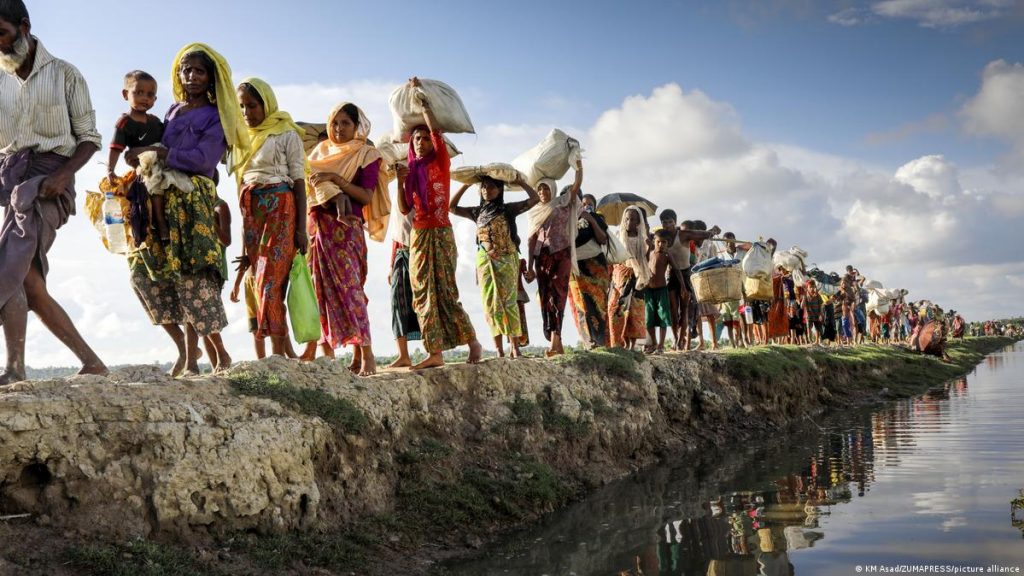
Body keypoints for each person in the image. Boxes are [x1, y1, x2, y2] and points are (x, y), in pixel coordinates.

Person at [0, 2, 107, 383]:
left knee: (14, 270)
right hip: (13, 183)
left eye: (3, 34)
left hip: (49, 183)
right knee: (25, 278)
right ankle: (82, 363)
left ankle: (16, 369)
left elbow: (90, 138)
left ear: (24, 27)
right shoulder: (0, 80)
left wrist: (63, 176)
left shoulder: (65, 74)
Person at [125, 43, 245, 374]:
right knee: (144, 272)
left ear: (211, 78)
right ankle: (185, 351)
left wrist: (156, 153)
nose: (191, 76)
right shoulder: (173, 111)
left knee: (193, 276)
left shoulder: (217, 116)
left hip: (193, 201)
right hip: (160, 200)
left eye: (199, 71)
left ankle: (212, 355)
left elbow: (203, 160)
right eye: (185, 70)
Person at [396, 77, 482, 370]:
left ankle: (470, 342)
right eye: (415, 139)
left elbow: (435, 131)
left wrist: (424, 106)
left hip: (442, 232)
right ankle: (436, 351)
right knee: (421, 290)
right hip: (419, 235)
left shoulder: (440, 161)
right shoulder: (411, 170)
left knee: (445, 289)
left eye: (423, 138)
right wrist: (399, 182)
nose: (420, 143)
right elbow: (405, 207)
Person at [302, 102, 388, 376]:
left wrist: (336, 179)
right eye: (335, 123)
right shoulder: (318, 152)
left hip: (347, 230)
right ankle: (328, 357)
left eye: (345, 123)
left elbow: (365, 196)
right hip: (319, 229)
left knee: (352, 291)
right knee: (321, 291)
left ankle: (366, 355)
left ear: (357, 126)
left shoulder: (366, 153)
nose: (339, 129)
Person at [235, 78, 307, 358]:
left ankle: (278, 354)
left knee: (271, 282)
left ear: (266, 104)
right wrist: (243, 248)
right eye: (241, 107)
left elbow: (299, 183)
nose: (246, 113)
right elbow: (240, 189)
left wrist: (300, 230)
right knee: (259, 281)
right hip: (253, 213)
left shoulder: (286, 134)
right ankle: (283, 353)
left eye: (252, 106)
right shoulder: (241, 139)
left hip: (280, 209)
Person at [450, 174, 539, 358]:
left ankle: (515, 347)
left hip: (506, 259)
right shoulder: (477, 212)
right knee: (490, 304)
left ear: (500, 190)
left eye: (491, 187)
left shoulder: (508, 209)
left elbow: (534, 199)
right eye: (483, 187)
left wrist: (521, 182)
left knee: (508, 302)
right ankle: (498, 349)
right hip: (484, 262)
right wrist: (466, 185)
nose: (486, 190)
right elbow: (451, 207)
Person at [526, 163, 582, 357]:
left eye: (546, 187)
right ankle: (556, 342)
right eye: (539, 188)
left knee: (558, 296)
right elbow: (532, 239)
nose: (542, 191)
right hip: (543, 258)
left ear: (553, 189)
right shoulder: (535, 212)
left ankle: (554, 342)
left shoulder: (562, 203)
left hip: (562, 254)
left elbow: (576, 185)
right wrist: (531, 266)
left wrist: (578, 165)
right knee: (545, 299)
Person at [107, 70, 167, 242]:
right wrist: (110, 170)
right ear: (126, 94)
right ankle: (160, 222)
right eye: (139, 93)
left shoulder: (155, 122)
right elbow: (115, 148)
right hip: (145, 166)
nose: (145, 98)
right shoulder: (125, 123)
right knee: (153, 181)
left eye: (150, 95)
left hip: (162, 160)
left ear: (155, 100)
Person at [657, 211, 720, 351]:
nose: (667, 225)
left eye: (669, 222)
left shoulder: (683, 235)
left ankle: (681, 339)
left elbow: (703, 234)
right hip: (671, 275)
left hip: (685, 274)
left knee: (684, 310)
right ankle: (675, 339)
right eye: (664, 222)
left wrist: (714, 231)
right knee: (673, 310)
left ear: (675, 221)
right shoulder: (662, 236)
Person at [569, 192, 611, 348]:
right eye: (583, 203)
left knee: (598, 304)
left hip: (595, 265)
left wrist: (591, 219)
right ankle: (588, 342)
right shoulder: (569, 219)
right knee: (581, 305)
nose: (586, 206)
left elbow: (602, 239)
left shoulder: (596, 219)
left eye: (589, 204)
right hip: (576, 267)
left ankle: (601, 342)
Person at [608, 206, 650, 350]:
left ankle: (632, 345)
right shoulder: (618, 236)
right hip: (621, 275)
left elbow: (644, 257)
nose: (629, 222)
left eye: (633, 219)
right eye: (626, 219)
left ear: (638, 221)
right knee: (618, 307)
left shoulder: (642, 238)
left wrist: (649, 248)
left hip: (638, 277)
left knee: (634, 310)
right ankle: (619, 342)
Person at [386, 199, 421, 368]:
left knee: (424, 302)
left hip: (419, 253)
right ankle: (403, 355)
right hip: (401, 254)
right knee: (397, 302)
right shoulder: (397, 199)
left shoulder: (421, 195)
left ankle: (434, 352)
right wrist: (391, 265)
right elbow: (396, 234)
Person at [645, 229, 674, 353]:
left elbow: (676, 269)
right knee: (648, 318)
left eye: (664, 242)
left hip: (661, 290)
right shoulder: (649, 253)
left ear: (668, 244)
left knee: (663, 317)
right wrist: (647, 247)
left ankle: (661, 346)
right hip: (648, 290)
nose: (661, 244)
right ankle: (653, 343)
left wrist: (683, 287)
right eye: (658, 242)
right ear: (654, 242)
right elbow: (644, 263)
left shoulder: (667, 255)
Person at [804, 280, 824, 346]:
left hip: (817, 314)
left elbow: (821, 305)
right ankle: (810, 341)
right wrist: (803, 298)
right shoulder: (806, 296)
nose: (812, 288)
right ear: (807, 288)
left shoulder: (817, 295)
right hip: (809, 314)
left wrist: (821, 314)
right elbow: (801, 306)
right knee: (809, 327)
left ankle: (818, 341)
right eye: (810, 287)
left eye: (813, 287)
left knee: (818, 328)